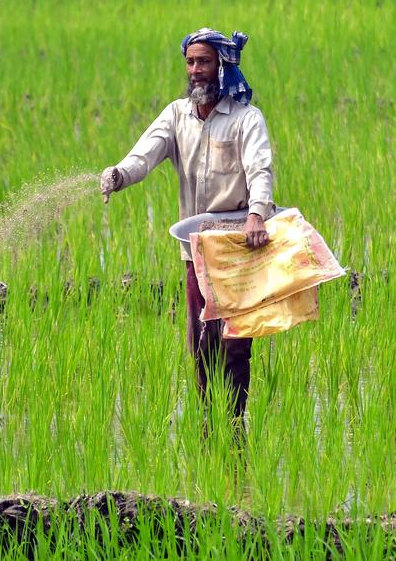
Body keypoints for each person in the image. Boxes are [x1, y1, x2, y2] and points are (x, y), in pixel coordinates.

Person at [99, 27, 274, 439]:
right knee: (201, 345)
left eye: (204, 62)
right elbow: (146, 152)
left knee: (234, 344)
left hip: (237, 249)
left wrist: (257, 214)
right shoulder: (177, 115)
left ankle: (234, 424)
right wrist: (119, 174)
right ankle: (207, 425)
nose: (196, 71)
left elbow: (260, 170)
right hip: (195, 250)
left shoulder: (246, 119)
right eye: (191, 62)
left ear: (222, 67)